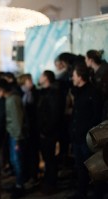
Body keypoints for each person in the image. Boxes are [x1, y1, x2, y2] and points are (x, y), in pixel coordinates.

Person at [68, 65, 102, 199]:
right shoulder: (77, 91)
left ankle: (97, 194)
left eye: (74, 75)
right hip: (77, 137)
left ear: (80, 77)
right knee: (80, 168)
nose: (72, 78)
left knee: (94, 168)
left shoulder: (93, 92)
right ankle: (81, 193)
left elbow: (96, 116)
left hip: (88, 139)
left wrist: (89, 133)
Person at [0, 78, 26, 199]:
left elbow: (17, 121)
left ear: (1, 90)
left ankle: (20, 186)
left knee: (17, 161)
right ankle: (18, 184)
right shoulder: (10, 98)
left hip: (16, 136)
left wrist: (17, 139)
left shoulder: (12, 100)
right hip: (13, 134)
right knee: (14, 161)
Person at [37, 70, 63, 195]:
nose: (39, 78)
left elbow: (54, 116)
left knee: (51, 160)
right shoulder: (44, 93)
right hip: (45, 133)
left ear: (46, 78)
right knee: (48, 159)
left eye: (41, 76)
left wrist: (45, 130)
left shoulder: (53, 94)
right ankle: (48, 182)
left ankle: (51, 185)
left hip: (49, 134)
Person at [85, 49, 108, 120]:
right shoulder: (91, 73)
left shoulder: (105, 72)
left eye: (86, 58)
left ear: (91, 60)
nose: (85, 61)